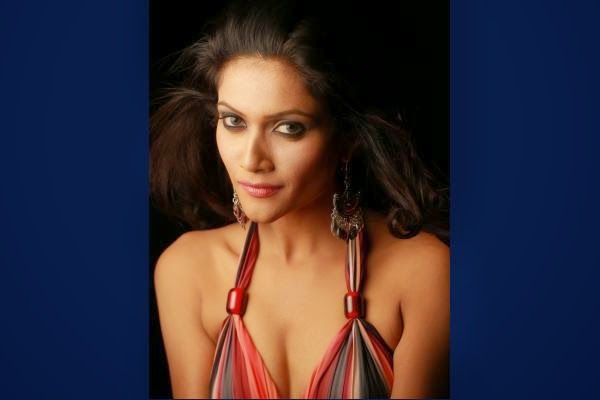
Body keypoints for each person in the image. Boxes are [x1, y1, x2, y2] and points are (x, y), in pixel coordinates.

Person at [150, 1, 449, 398]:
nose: (251, 159)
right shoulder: (187, 270)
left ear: (347, 138)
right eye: (234, 121)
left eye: (289, 128)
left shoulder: (423, 272)